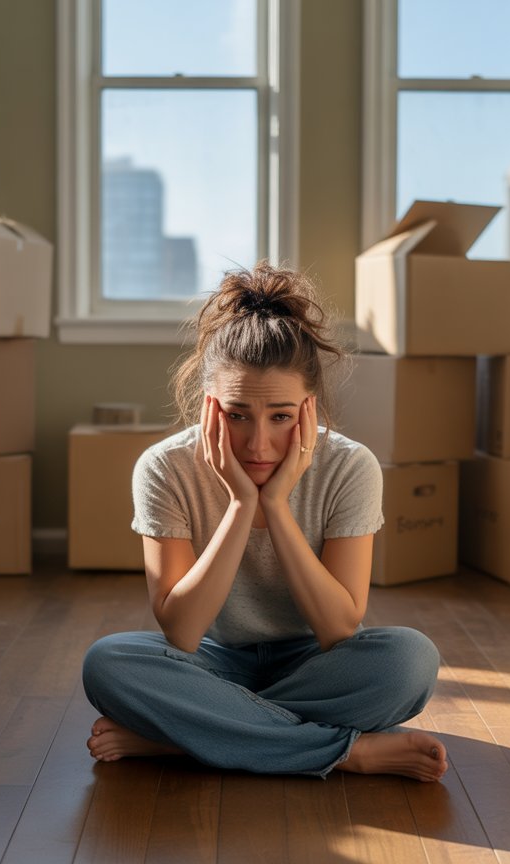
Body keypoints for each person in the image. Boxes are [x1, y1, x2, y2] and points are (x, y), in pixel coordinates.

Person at [82, 261, 447, 782]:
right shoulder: (165, 467)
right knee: (108, 662)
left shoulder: (349, 466)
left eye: (280, 416)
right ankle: (343, 751)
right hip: (208, 663)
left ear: (309, 408)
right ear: (210, 407)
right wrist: (239, 504)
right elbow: (183, 633)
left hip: (316, 662)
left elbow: (340, 628)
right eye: (236, 415)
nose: (258, 444)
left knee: (410, 661)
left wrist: (275, 505)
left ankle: (182, 739)